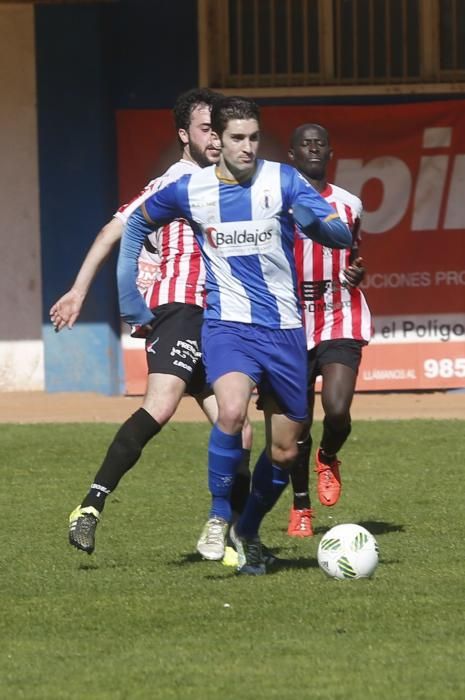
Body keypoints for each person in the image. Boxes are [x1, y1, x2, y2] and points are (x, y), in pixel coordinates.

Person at [117, 96, 352, 575]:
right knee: (229, 410)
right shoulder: (191, 189)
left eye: (253, 138)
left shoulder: (283, 181)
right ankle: (219, 516)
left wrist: (318, 225)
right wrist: (128, 295)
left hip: (285, 329)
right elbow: (138, 221)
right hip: (226, 325)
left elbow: (340, 233)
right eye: (237, 138)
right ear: (217, 141)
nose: (247, 147)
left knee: (286, 450)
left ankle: (248, 529)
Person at [52, 88, 253, 557]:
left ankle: (229, 536)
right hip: (179, 308)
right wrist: (78, 291)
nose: (216, 139)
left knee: (239, 427)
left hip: (218, 319)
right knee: (160, 406)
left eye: (218, 129)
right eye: (206, 129)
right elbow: (111, 232)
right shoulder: (174, 182)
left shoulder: (232, 182)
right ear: (185, 135)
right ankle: (89, 507)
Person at [286, 123, 372, 537]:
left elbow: (355, 254)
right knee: (296, 423)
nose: (313, 148)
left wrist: (357, 273)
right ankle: (300, 507)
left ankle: (328, 455)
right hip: (289, 322)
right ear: (292, 155)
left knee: (337, 410)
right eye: (305, 144)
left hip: (339, 315)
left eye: (320, 143)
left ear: (330, 152)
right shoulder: (277, 204)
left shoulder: (349, 203)